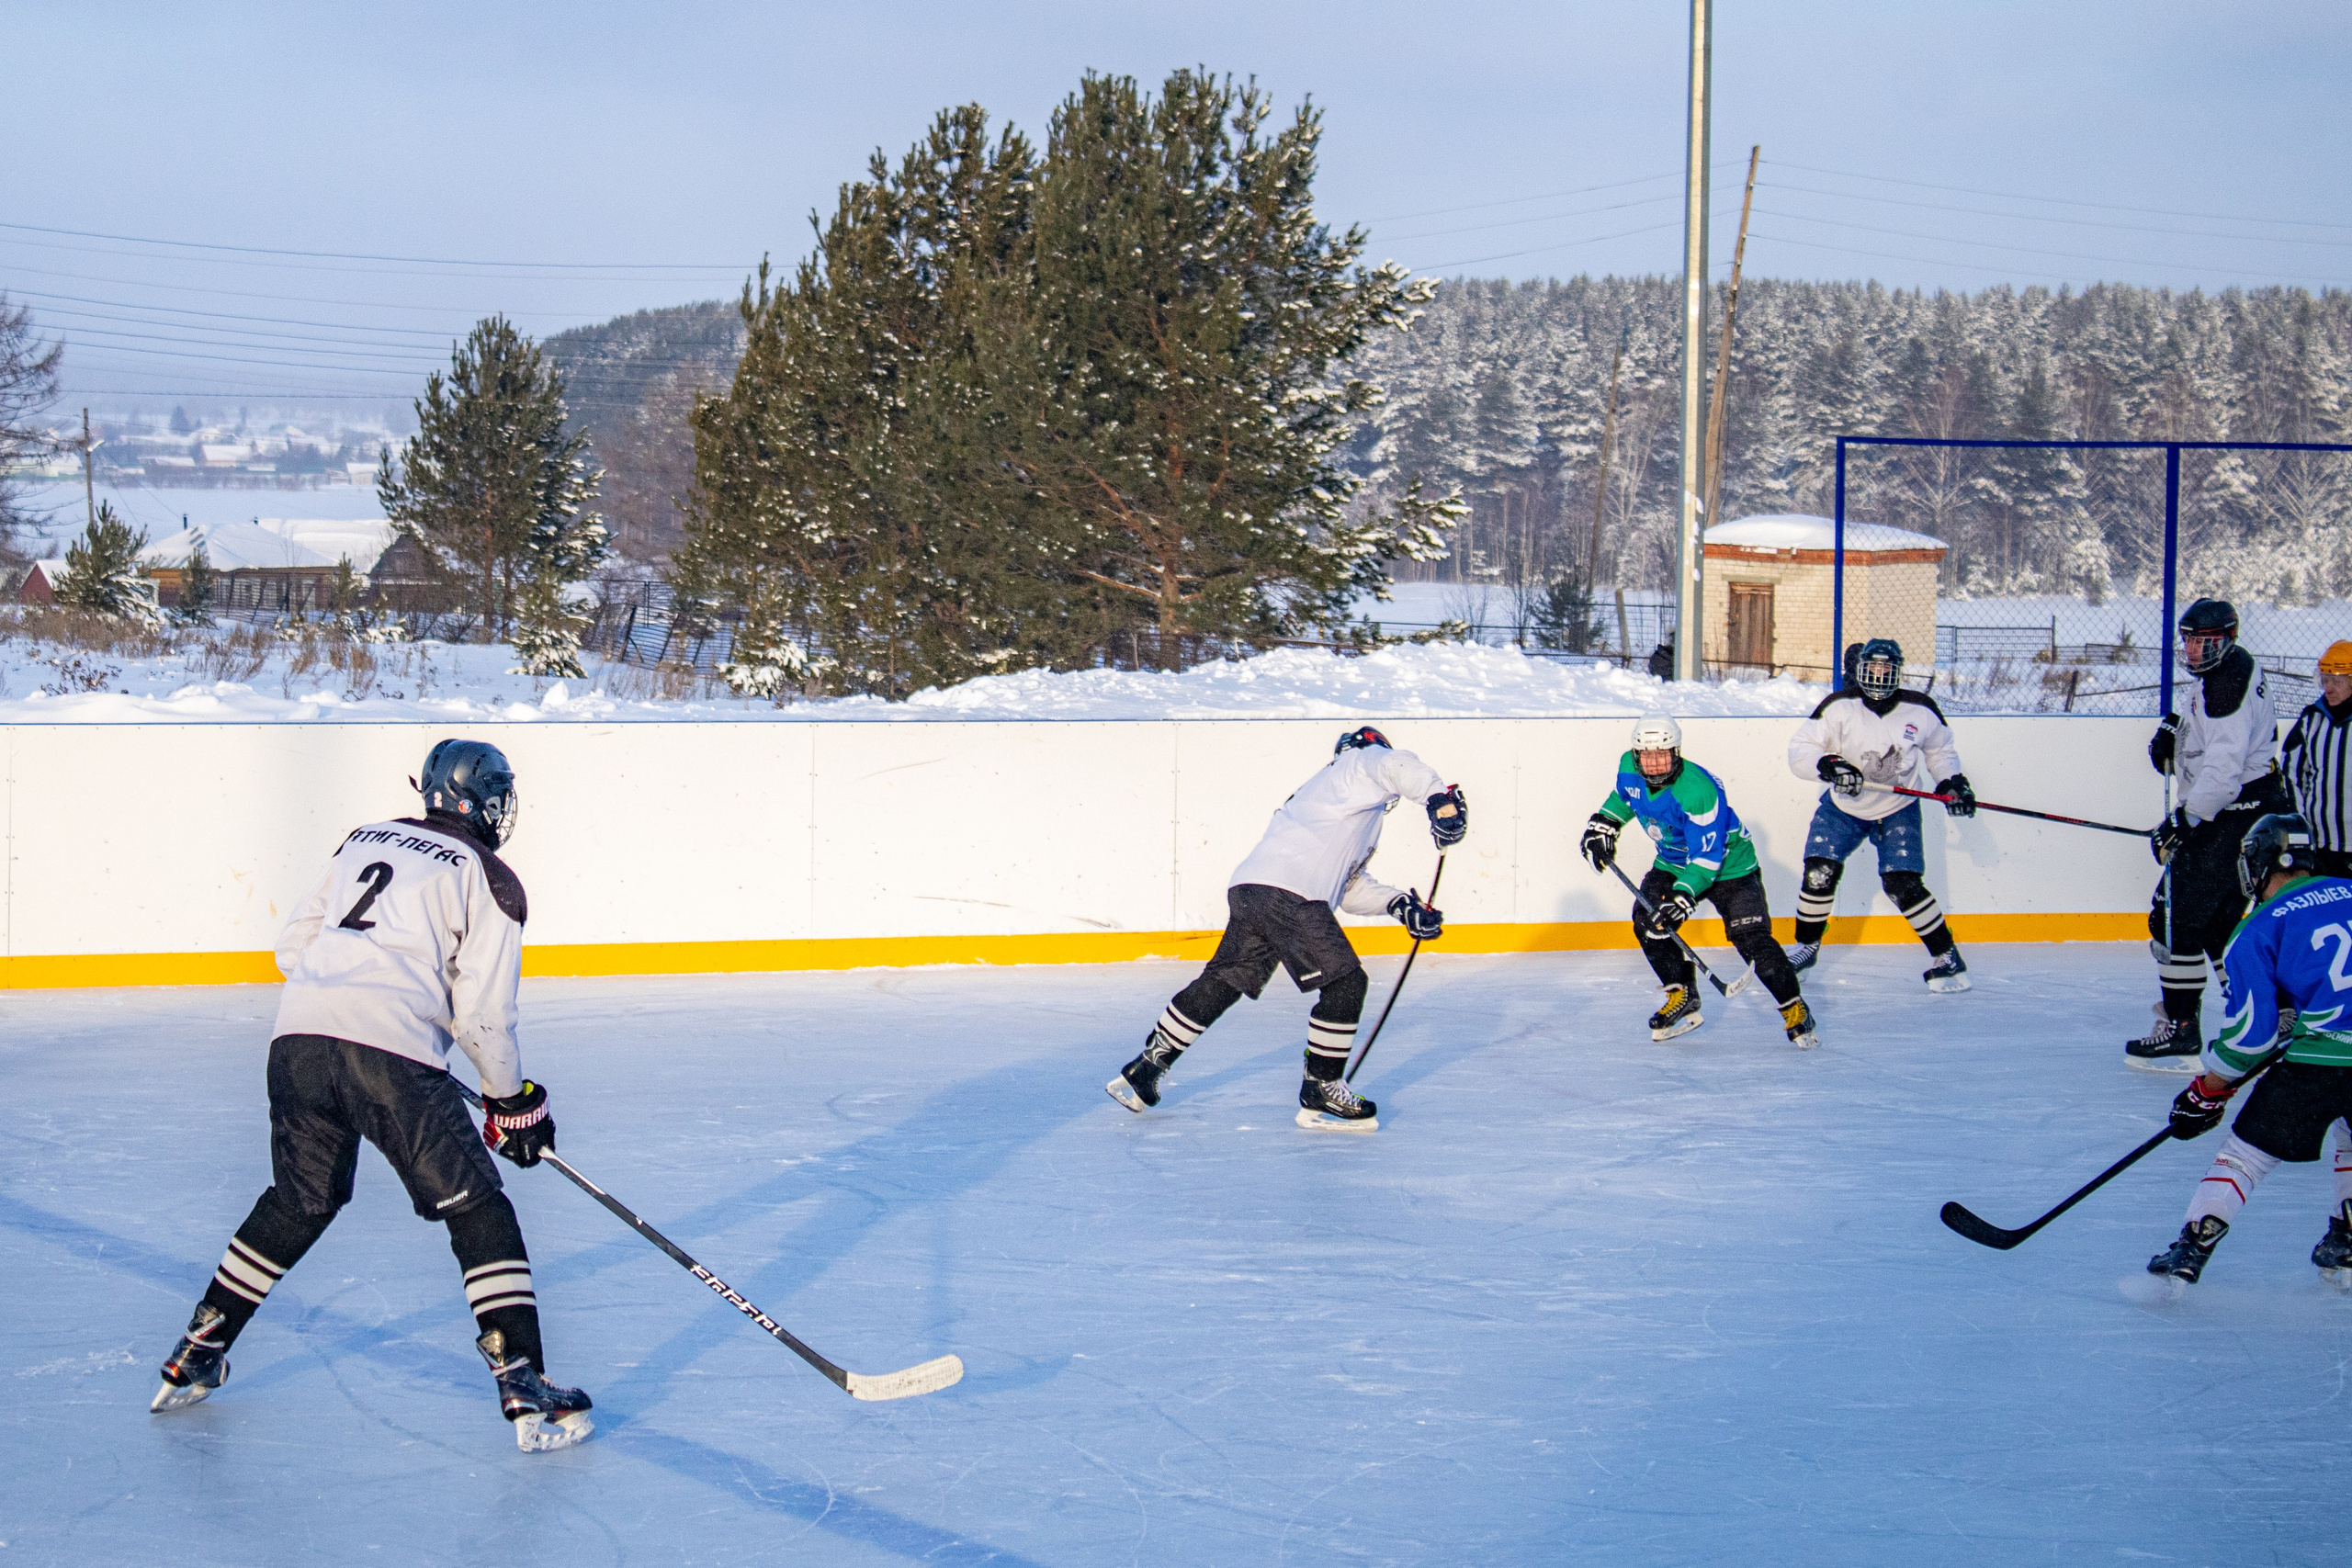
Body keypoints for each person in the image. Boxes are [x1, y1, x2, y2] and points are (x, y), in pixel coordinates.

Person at [148, 739, 594, 1453]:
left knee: (299, 1199)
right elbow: (482, 1018)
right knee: (479, 1207)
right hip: (388, 1060)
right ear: (479, 801)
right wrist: (511, 1104)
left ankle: (200, 1344)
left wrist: (365, 1008)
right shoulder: (490, 878)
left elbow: (294, 947)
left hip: (296, 1043)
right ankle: (522, 1377)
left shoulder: (362, 838)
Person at [1107, 727, 1466, 1132]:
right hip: (1291, 894)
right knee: (1347, 984)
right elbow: (1394, 763)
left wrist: (1399, 904)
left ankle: (1146, 1067)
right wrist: (1440, 799)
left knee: (1225, 980)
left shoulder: (1334, 806)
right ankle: (1323, 1088)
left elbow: (1347, 887)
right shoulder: (1358, 763)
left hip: (1253, 889)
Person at [2143, 814, 2352, 1285]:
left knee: (2247, 1155)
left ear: (2257, 863)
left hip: (2316, 1066)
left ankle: (2192, 1247)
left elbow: (2251, 1039)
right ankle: (2346, 1238)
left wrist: (2207, 1091)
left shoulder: (2256, 930)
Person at [1581, 715, 1818, 1047]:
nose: (1654, 763)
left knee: (1751, 940)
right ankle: (1682, 994)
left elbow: (1707, 861)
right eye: (1647, 756)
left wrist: (1681, 899)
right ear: (1635, 754)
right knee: (1647, 922)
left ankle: (1794, 1007)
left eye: (1662, 755)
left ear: (1677, 752)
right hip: (1674, 862)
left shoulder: (1697, 790)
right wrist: (1604, 823)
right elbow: (1626, 796)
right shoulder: (1627, 767)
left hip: (1729, 867)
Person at [2129, 599, 2289, 1068]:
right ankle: (2269, 1015)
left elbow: (2222, 771)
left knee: (2172, 918)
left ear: (2228, 638)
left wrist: (2184, 820)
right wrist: (2174, 736)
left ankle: (2180, 1026)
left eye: (2204, 642)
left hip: (2228, 817)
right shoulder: (2228, 671)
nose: (2194, 650)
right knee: (2219, 929)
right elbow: (2209, 739)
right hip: (2243, 814)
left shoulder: (2226, 684)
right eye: (2189, 640)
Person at [1783, 637, 1975, 992]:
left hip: (1897, 808)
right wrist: (1827, 763)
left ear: (1898, 672)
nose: (1879, 675)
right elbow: (1801, 749)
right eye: (1872, 668)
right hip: (1844, 806)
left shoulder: (1920, 710)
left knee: (1902, 884)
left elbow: (1940, 752)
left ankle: (1946, 955)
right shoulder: (1839, 707)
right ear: (1859, 671)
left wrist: (1952, 784)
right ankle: (1805, 948)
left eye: (1886, 669)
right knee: (1819, 871)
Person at [2281, 640, 2352, 879]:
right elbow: (2290, 774)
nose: (2328, 688)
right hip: (2318, 847)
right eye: (2325, 679)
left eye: (2337, 681)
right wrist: (2300, 824)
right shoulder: (2311, 720)